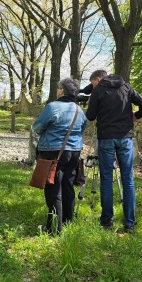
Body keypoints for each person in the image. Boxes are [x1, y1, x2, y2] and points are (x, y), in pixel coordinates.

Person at [85, 70, 142, 233]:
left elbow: (90, 116)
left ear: (98, 80)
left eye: (93, 83)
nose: (93, 86)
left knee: (106, 178)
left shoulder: (98, 90)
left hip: (106, 137)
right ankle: (129, 224)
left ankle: (107, 221)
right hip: (125, 137)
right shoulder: (126, 87)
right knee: (128, 179)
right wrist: (136, 115)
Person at [32, 78, 88, 235]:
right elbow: (83, 128)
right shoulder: (79, 109)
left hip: (53, 152)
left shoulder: (52, 107)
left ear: (62, 90)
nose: (57, 90)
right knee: (68, 187)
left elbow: (37, 127)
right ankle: (68, 221)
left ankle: (54, 228)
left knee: (53, 189)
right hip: (74, 152)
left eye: (58, 88)